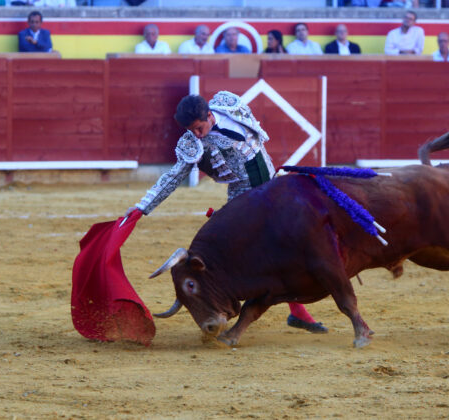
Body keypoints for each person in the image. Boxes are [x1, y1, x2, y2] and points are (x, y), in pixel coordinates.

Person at [125, 92, 328, 334]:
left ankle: (294, 313)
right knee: (255, 252)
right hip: (243, 199)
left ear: (210, 115)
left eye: (200, 128)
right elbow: (171, 178)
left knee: (284, 244)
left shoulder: (228, 103)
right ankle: (218, 304)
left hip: (271, 183)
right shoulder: (192, 144)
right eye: (192, 131)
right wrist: (142, 207)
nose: (198, 135)